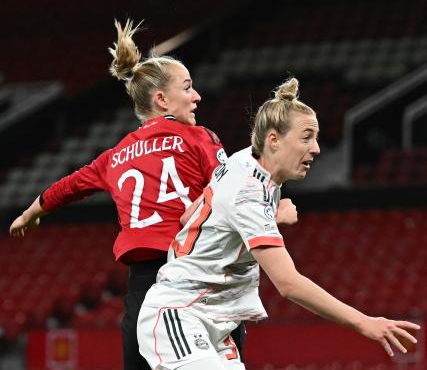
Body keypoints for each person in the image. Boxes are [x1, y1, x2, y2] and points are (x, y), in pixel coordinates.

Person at [9, 19, 297, 370]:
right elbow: (232, 192)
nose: (197, 95)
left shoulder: (114, 155)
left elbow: (66, 188)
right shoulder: (199, 138)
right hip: (196, 278)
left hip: (143, 289)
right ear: (161, 99)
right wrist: (273, 211)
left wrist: (30, 214)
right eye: (188, 88)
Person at [137, 77, 421, 370]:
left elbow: (191, 217)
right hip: (180, 313)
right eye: (306, 137)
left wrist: (269, 216)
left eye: (317, 138)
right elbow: (288, 284)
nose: (316, 149)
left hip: (216, 325)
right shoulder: (249, 192)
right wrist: (365, 323)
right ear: (273, 140)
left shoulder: (244, 160)